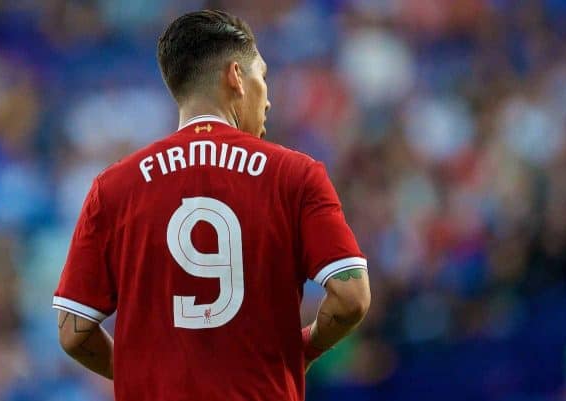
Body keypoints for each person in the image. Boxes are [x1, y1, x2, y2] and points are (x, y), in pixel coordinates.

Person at [53, 9, 370, 401]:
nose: (268, 101)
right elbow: (352, 296)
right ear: (237, 76)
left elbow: (73, 330)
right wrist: (307, 348)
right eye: (263, 78)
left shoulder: (115, 187)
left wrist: (145, 375)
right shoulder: (295, 175)